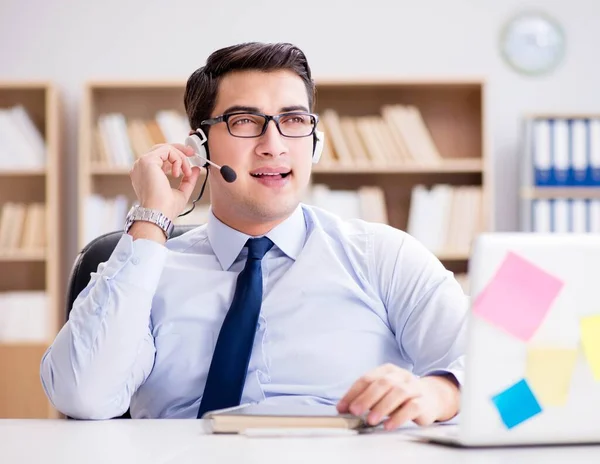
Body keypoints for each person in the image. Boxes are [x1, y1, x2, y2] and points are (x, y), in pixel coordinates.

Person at [40, 42, 467, 430]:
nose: (274, 144)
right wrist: (152, 218)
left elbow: (517, 381)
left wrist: (441, 392)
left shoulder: (384, 256)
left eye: (293, 120)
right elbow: (83, 395)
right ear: (200, 146)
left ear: (314, 141)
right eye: (245, 121)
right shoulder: (152, 268)